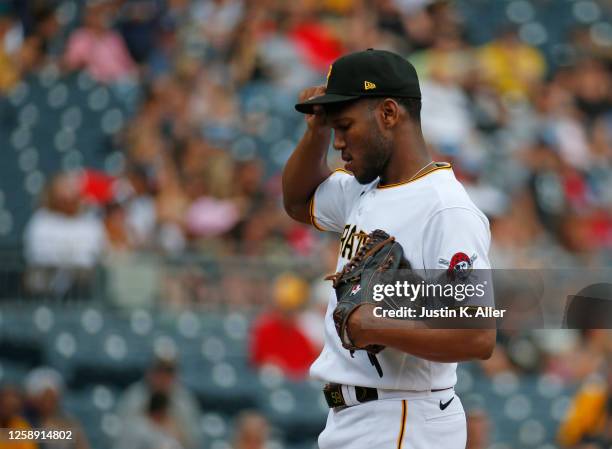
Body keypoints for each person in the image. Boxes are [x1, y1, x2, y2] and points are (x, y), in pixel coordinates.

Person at [282, 49, 495, 449]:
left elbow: (477, 335)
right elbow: (297, 202)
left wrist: (372, 324)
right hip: (361, 418)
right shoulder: (362, 186)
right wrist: (316, 133)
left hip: (402, 417)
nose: (338, 141)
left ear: (389, 114)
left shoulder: (444, 208)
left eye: (344, 125)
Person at [115, 357, 201, 449]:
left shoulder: (184, 401)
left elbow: (194, 442)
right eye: (159, 370)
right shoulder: (134, 397)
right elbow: (119, 437)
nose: (163, 376)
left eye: (168, 371)